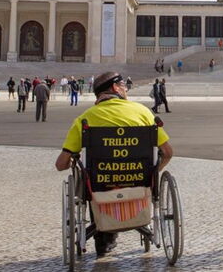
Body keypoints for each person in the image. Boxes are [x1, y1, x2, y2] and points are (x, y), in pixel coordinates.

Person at [55, 71, 174, 257]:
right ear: (115, 88)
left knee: (92, 179)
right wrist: (152, 173)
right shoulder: (143, 112)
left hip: (101, 188)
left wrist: (72, 161)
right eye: (123, 86)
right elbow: (167, 152)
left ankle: (104, 238)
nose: (126, 89)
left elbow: (61, 164)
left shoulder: (85, 119)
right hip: (139, 183)